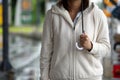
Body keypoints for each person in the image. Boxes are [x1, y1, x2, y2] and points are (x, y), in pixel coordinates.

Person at [40, 0, 111, 80]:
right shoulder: (52, 15)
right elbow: (45, 53)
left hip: (90, 77)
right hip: (59, 77)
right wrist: (44, 78)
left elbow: (106, 49)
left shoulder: (98, 14)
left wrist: (91, 46)